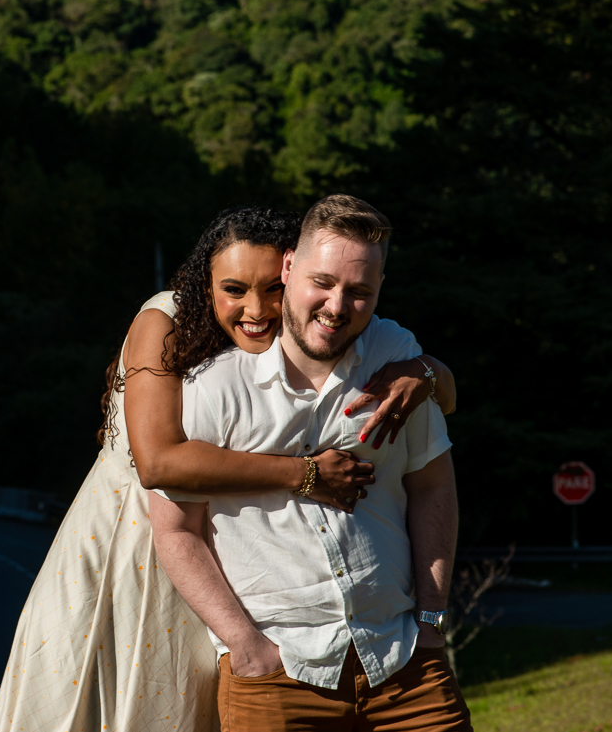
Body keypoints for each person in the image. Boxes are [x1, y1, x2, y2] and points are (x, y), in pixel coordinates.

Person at [0, 205, 457, 732]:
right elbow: (159, 463)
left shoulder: (312, 339)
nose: (257, 308)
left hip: (220, 553)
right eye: (235, 289)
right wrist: (307, 475)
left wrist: (426, 373)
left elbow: (444, 399)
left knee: (177, 710)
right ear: (207, 286)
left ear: (289, 274)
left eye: (271, 288)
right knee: (77, 703)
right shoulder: (165, 324)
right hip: (130, 538)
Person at [150, 195, 471, 731]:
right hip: (279, 672)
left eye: (359, 291)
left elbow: (434, 486)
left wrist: (431, 622)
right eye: (322, 282)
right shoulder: (215, 387)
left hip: (403, 659)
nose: (337, 306)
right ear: (289, 267)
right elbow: (177, 530)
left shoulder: (396, 357)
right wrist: (246, 647)